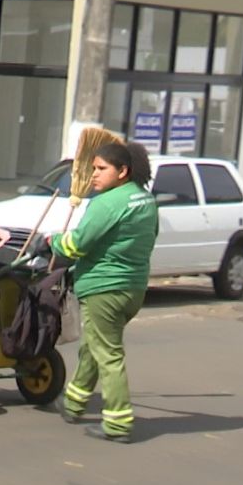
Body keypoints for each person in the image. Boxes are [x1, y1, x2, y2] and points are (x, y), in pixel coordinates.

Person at [47, 141, 157, 444]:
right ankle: (73, 402)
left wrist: (54, 243)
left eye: (101, 169)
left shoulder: (107, 203)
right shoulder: (145, 200)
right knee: (95, 346)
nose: (94, 175)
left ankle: (118, 423)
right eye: (94, 168)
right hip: (133, 288)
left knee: (108, 354)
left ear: (122, 171)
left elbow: (79, 243)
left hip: (103, 288)